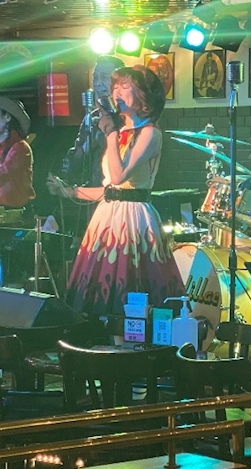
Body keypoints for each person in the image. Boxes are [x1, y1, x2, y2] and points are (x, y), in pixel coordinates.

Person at [54, 65, 185, 318]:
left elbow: (119, 176)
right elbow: (110, 189)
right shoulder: (119, 132)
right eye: (115, 87)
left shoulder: (150, 133)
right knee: (95, 291)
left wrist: (111, 133)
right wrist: (69, 191)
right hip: (107, 216)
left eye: (125, 86)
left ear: (144, 97)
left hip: (134, 218)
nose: (117, 92)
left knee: (131, 284)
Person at [62, 55, 125, 188]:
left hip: (119, 192)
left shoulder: (128, 117)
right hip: (92, 192)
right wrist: (87, 145)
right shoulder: (91, 117)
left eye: (104, 77)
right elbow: (74, 164)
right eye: (95, 78)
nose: (98, 83)